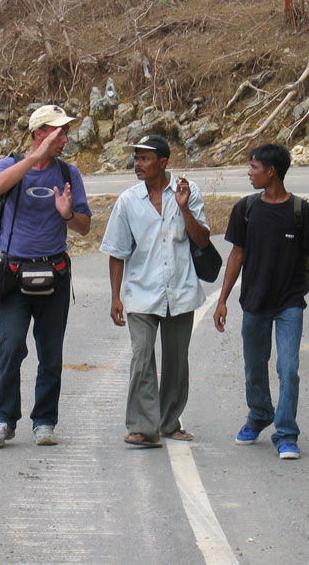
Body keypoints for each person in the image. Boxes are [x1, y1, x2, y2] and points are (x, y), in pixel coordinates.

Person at [213, 143, 309, 460]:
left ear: (272, 171)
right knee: (254, 367)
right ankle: (258, 415)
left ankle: (286, 433)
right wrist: (222, 300)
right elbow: (236, 255)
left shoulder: (301, 212)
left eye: (254, 167)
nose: (249, 173)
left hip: (290, 303)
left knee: (289, 367)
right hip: (254, 302)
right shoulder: (246, 210)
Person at [0, 104, 92, 448]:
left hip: (55, 272)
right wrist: (33, 159)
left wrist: (67, 214)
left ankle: (44, 421)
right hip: (14, 274)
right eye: (58, 131)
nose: (65, 138)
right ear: (38, 133)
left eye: (67, 132)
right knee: (11, 346)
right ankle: (5, 420)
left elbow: (85, 228)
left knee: (51, 352)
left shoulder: (68, 173)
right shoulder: (10, 165)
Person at [100, 135, 211, 447]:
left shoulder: (188, 192)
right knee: (141, 357)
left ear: (163, 162)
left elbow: (202, 240)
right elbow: (117, 251)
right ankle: (143, 426)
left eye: (145, 158)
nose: (137, 164)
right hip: (141, 293)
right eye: (136, 158)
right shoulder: (128, 201)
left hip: (180, 290)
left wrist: (184, 208)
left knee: (176, 361)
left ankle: (169, 422)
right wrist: (115, 296)